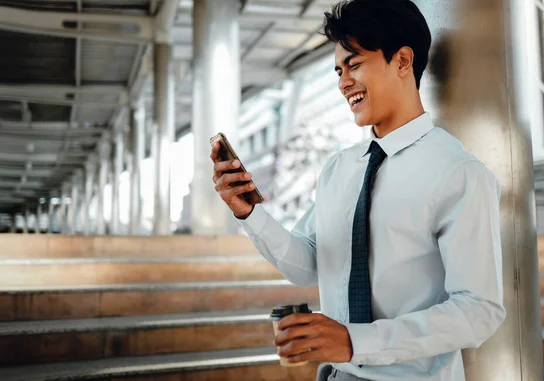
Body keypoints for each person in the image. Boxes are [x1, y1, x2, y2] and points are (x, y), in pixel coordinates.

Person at [210, 0, 506, 380]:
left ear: (402, 61)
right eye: (338, 70)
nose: (343, 82)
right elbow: (308, 264)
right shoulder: (339, 168)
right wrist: (249, 212)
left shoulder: (458, 173)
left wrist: (355, 341)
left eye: (354, 64)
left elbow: (479, 310)